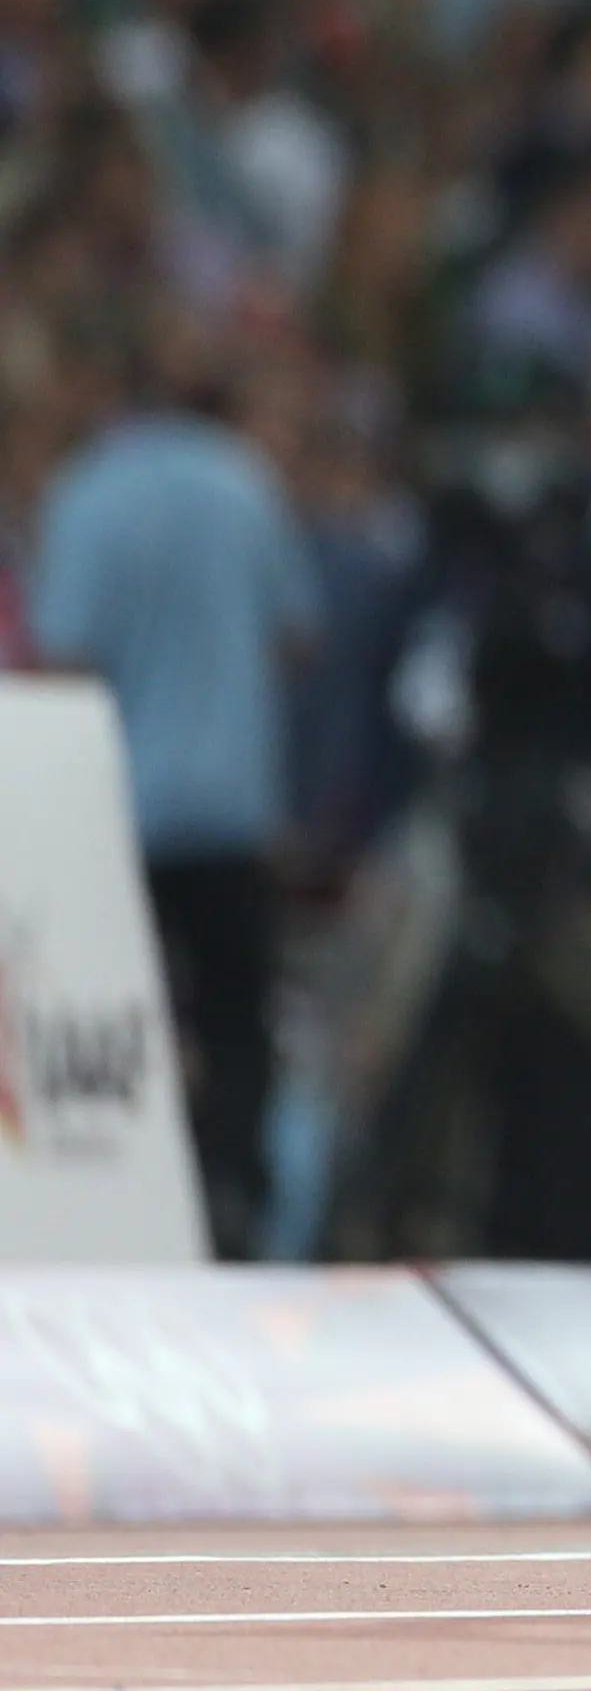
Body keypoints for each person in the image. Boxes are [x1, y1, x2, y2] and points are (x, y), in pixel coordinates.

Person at [26, 325, 319, 1260]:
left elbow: (60, 659)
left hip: (125, 815)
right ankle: (236, 1199)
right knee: (238, 1020)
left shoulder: (85, 497)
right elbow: (298, 636)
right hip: (234, 806)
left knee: (124, 1024)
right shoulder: (246, 484)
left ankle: (125, 1203)